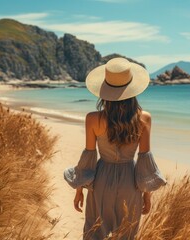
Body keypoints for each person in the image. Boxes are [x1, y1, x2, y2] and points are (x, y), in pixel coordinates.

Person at [64, 57, 166, 239]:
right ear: (132, 89)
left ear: (105, 90)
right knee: (126, 234)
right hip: (130, 182)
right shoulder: (144, 119)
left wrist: (79, 190)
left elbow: (88, 159)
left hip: (102, 181)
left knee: (95, 233)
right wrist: (147, 196)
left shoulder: (93, 119)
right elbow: (144, 160)